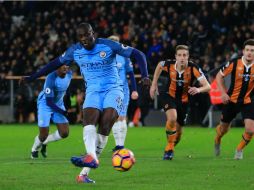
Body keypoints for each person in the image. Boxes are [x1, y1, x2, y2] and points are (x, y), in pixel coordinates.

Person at [21, 23, 150, 183]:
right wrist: (32, 77)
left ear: (92, 34)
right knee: (88, 121)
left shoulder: (107, 45)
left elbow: (138, 54)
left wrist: (145, 75)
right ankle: (90, 160)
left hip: (113, 90)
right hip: (93, 92)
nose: (84, 39)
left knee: (105, 125)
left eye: (87, 35)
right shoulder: (75, 51)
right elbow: (53, 64)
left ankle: (85, 171)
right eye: (81, 37)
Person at [150, 45, 210, 160]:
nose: (182, 58)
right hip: (169, 95)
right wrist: (153, 84)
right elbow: (159, 65)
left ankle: (170, 146)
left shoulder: (193, 68)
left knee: (179, 134)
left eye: (184, 55)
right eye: (180, 55)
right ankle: (169, 149)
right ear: (176, 57)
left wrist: (198, 89)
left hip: (184, 101)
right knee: (172, 118)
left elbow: (208, 86)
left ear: (188, 57)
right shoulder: (169, 65)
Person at [214, 39, 254, 160]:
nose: (249, 53)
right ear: (243, 51)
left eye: (252, 51)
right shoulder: (234, 63)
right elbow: (219, 76)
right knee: (223, 130)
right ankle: (217, 139)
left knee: (250, 129)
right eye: (247, 50)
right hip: (231, 100)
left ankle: (239, 150)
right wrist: (223, 93)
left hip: (248, 101)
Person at [31, 64, 72, 159]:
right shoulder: (51, 78)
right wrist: (63, 112)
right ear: (57, 67)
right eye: (62, 65)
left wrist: (68, 100)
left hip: (58, 103)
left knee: (64, 133)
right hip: (45, 104)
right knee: (43, 134)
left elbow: (67, 86)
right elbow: (49, 102)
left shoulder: (69, 73)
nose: (65, 67)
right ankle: (34, 149)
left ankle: (45, 142)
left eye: (67, 65)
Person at [108, 35, 139, 151]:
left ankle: (120, 145)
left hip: (123, 90)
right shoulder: (104, 57)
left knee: (121, 117)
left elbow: (131, 73)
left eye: (116, 43)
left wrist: (134, 90)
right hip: (110, 91)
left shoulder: (124, 56)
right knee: (114, 118)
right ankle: (118, 144)